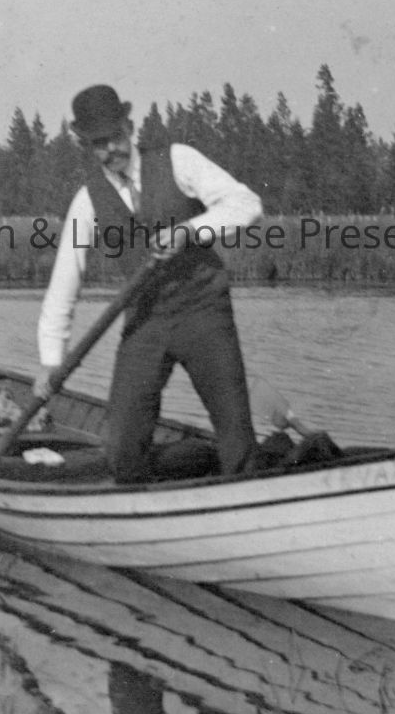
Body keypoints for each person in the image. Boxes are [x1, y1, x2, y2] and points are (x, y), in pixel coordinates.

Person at [34, 84, 263, 483]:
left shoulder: (179, 160)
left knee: (235, 432)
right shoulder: (88, 201)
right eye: (98, 144)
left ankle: (245, 492)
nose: (111, 150)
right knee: (122, 446)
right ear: (87, 146)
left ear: (130, 126)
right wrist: (51, 363)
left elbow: (247, 204)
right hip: (146, 321)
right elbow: (63, 285)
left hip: (203, 311)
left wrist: (189, 231)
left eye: (115, 137)